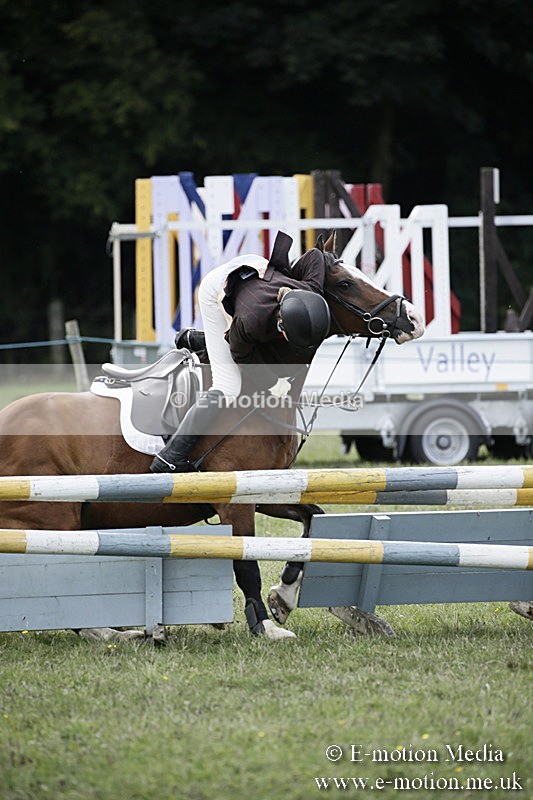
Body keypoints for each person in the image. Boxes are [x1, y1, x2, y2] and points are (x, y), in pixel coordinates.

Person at [150, 231, 331, 473]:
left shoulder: (308, 289)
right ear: (281, 324)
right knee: (228, 387)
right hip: (216, 292)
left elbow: (316, 256)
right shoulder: (250, 321)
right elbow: (241, 356)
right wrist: (271, 382)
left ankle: (196, 340)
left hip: (254, 272)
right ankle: (170, 455)